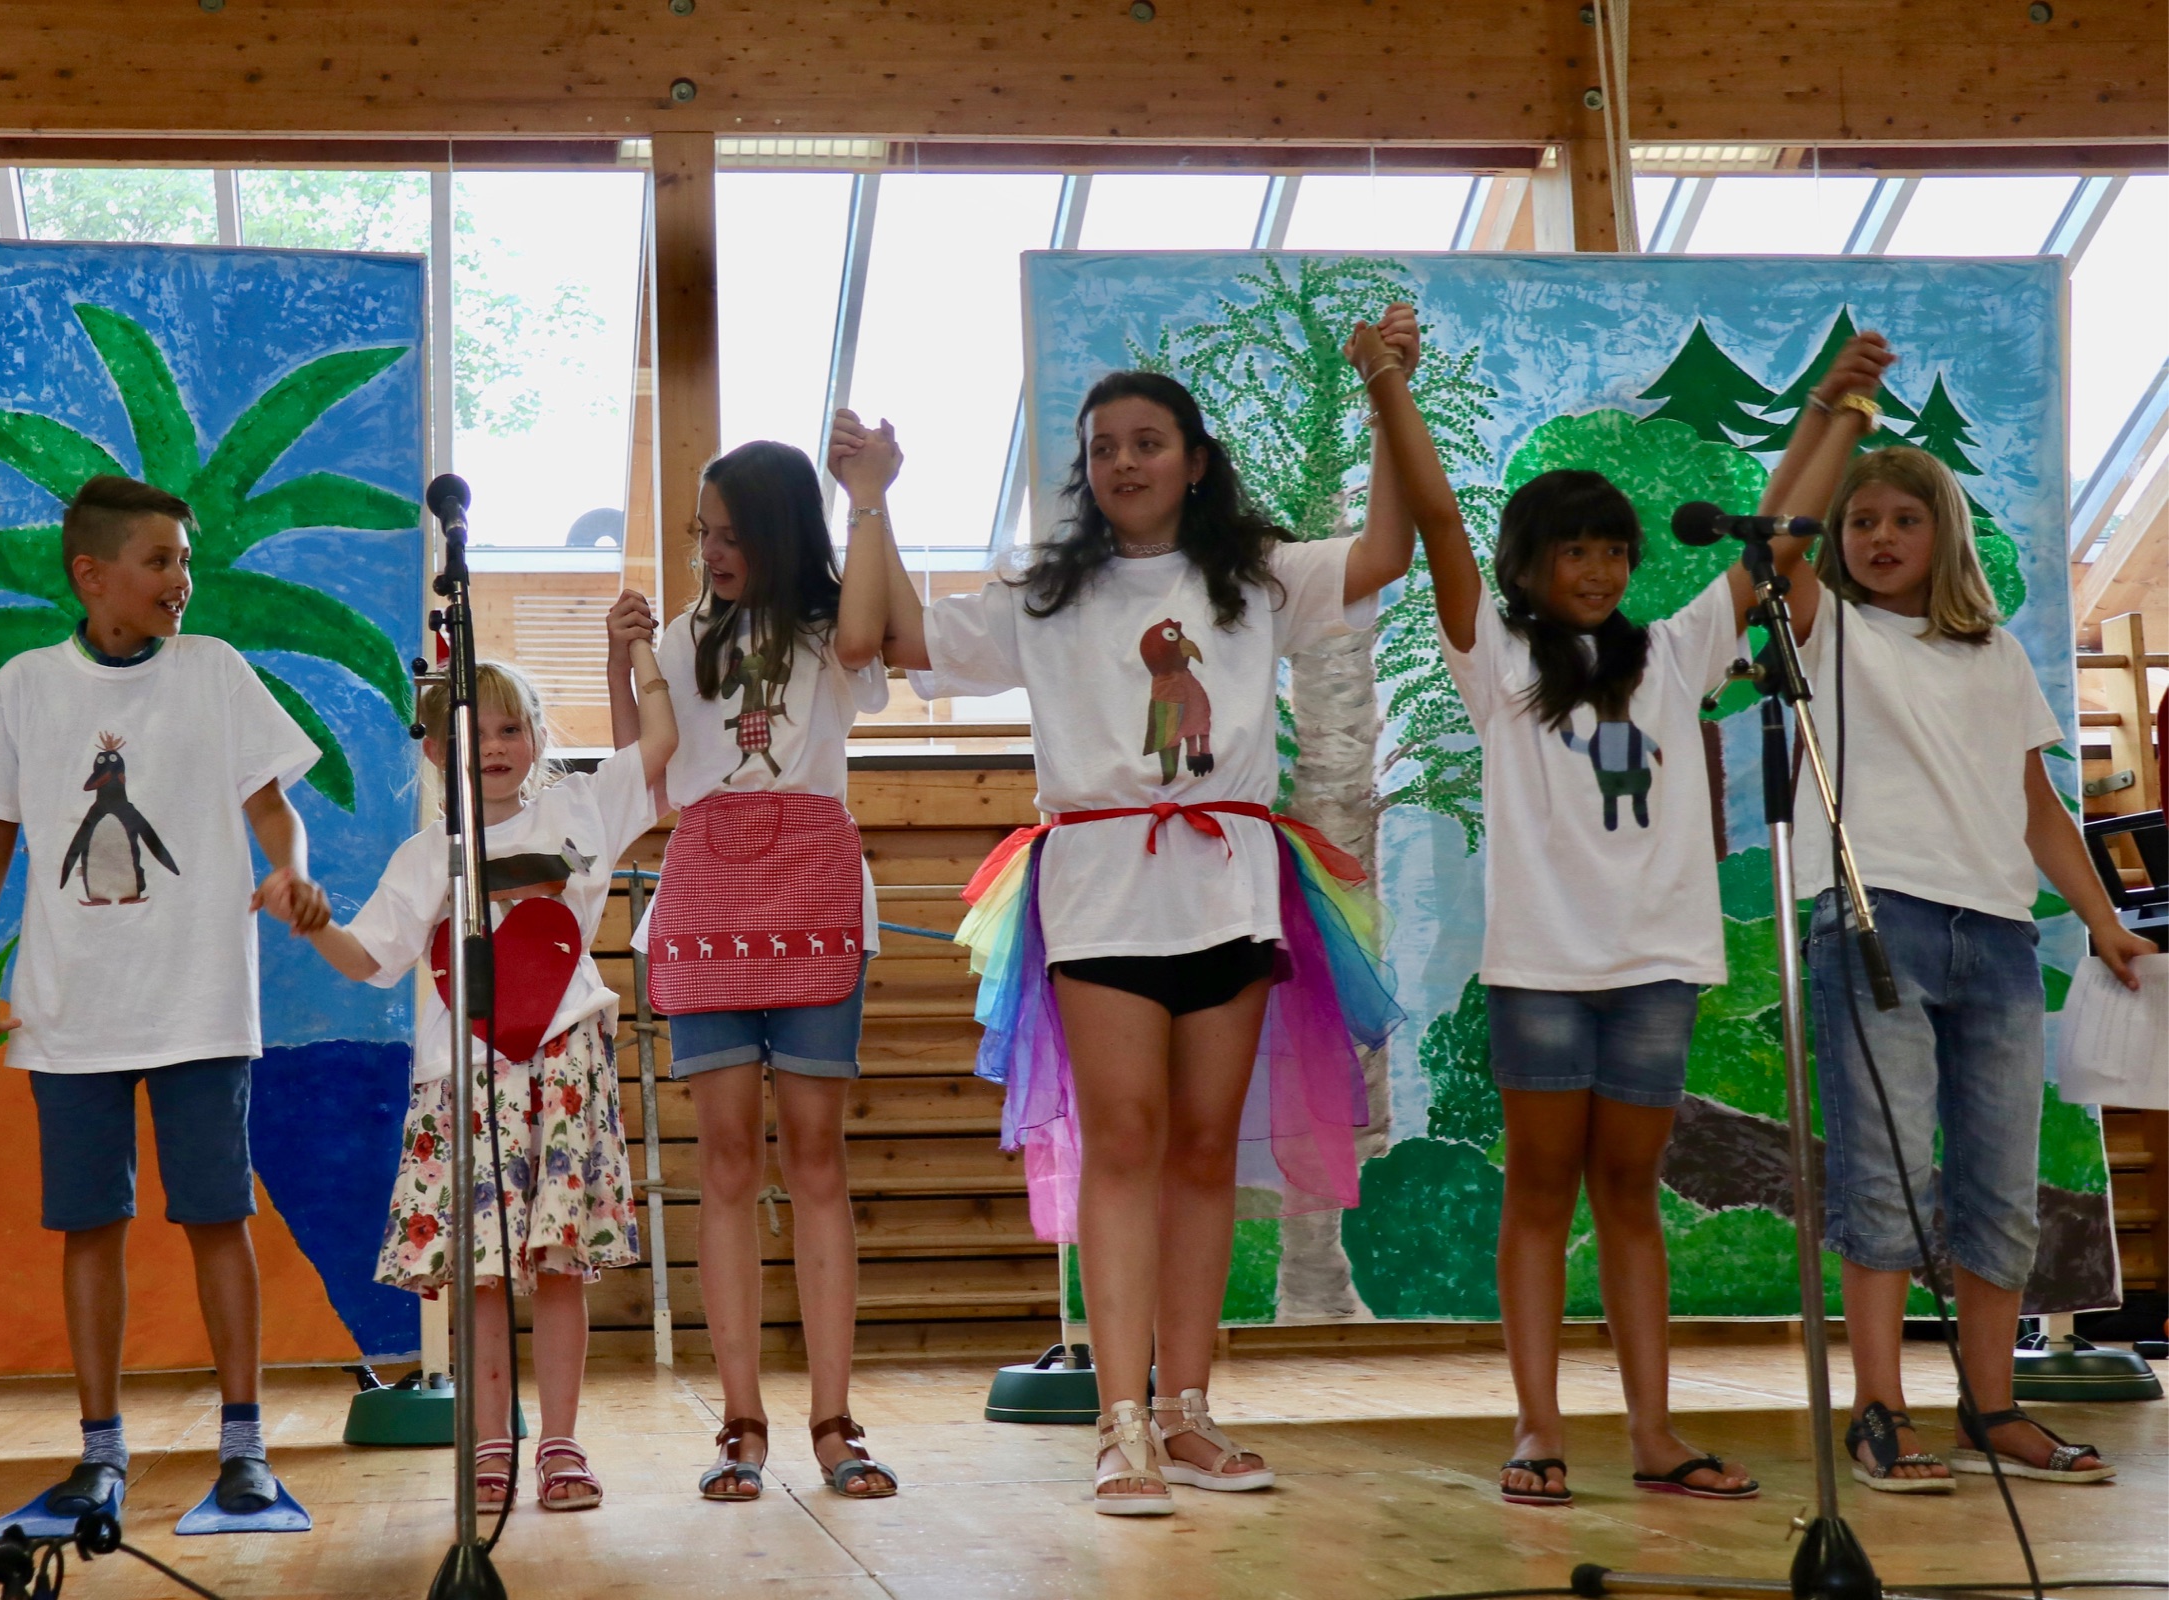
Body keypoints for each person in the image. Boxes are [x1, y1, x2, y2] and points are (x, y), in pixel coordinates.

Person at [867, 355, 1410, 1513]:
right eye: (1103, 446)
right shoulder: (1044, 592)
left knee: (1205, 1148)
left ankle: (1186, 1410)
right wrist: (871, 499)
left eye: (1147, 442)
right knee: (1121, 1139)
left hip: (1232, 889)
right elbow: (905, 638)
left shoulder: (1255, 577)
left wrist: (1386, 401)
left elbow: (1384, 553)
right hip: (1101, 889)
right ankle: (1120, 1423)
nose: (1123, 461)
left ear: (1194, 461)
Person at [1356, 310, 1758, 1506]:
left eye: (1613, 551)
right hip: (1539, 971)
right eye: (1573, 550)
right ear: (1529, 565)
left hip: (1654, 969)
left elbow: (1771, 548)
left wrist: (1839, 407)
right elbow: (1439, 524)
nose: (1597, 570)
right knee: (1538, 1191)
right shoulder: (1500, 659)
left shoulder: (1676, 653)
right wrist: (1389, 383)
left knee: (1628, 1195)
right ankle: (1536, 1426)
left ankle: (1653, 1432)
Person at [1760, 334, 2149, 1492]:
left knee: (1999, 1184)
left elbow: (2036, 806)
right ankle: (1879, 1411)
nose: (1878, 536)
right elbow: (1773, 539)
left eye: (1902, 519)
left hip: (1996, 938)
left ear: (1945, 535)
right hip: (1873, 920)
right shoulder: (1827, 628)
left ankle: (1992, 1405)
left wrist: (2104, 920)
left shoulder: (1995, 656)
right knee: (1884, 1175)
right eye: (1861, 520)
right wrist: (1833, 410)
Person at [0, 474, 331, 1523]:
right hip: (70, 1011)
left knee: (217, 1214)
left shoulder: (215, 671)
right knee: (91, 1225)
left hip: (198, 1001)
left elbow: (272, 807)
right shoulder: (25, 685)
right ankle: (100, 1449)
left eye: (185, 562)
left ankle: (242, 1444)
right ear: (92, 574)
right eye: (159, 561)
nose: (180, 580)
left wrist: (290, 869)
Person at [288, 608, 673, 1511]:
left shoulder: (579, 810)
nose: (493, 748)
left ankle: (563, 1444)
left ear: (536, 736)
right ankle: (493, 1441)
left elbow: (659, 743)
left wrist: (629, 649)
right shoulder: (427, 856)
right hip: (464, 1083)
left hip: (563, 1071)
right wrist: (314, 921)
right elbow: (368, 957)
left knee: (560, 1266)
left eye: (510, 729)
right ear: (435, 751)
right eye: (473, 733)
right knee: (485, 1275)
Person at [644, 439, 899, 1502]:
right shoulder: (679, 639)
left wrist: (868, 497)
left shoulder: (827, 628)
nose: (711, 551)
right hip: (706, 894)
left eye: (732, 533)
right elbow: (655, 775)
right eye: (702, 533)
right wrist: (626, 660)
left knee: (814, 1155)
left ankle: (833, 1421)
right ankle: (739, 1419)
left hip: (815, 896)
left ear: (780, 532)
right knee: (723, 1162)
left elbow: (865, 638)